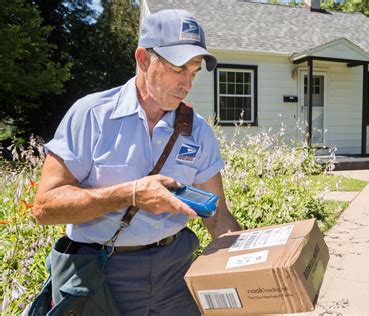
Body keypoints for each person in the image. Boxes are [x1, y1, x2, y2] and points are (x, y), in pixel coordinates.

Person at [32, 9, 241, 315]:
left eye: (194, 72)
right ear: (143, 59)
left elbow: (218, 214)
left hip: (176, 271)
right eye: (178, 68)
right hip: (104, 272)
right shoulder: (92, 115)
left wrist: (253, 264)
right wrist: (130, 195)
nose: (187, 83)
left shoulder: (197, 130)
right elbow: (45, 207)